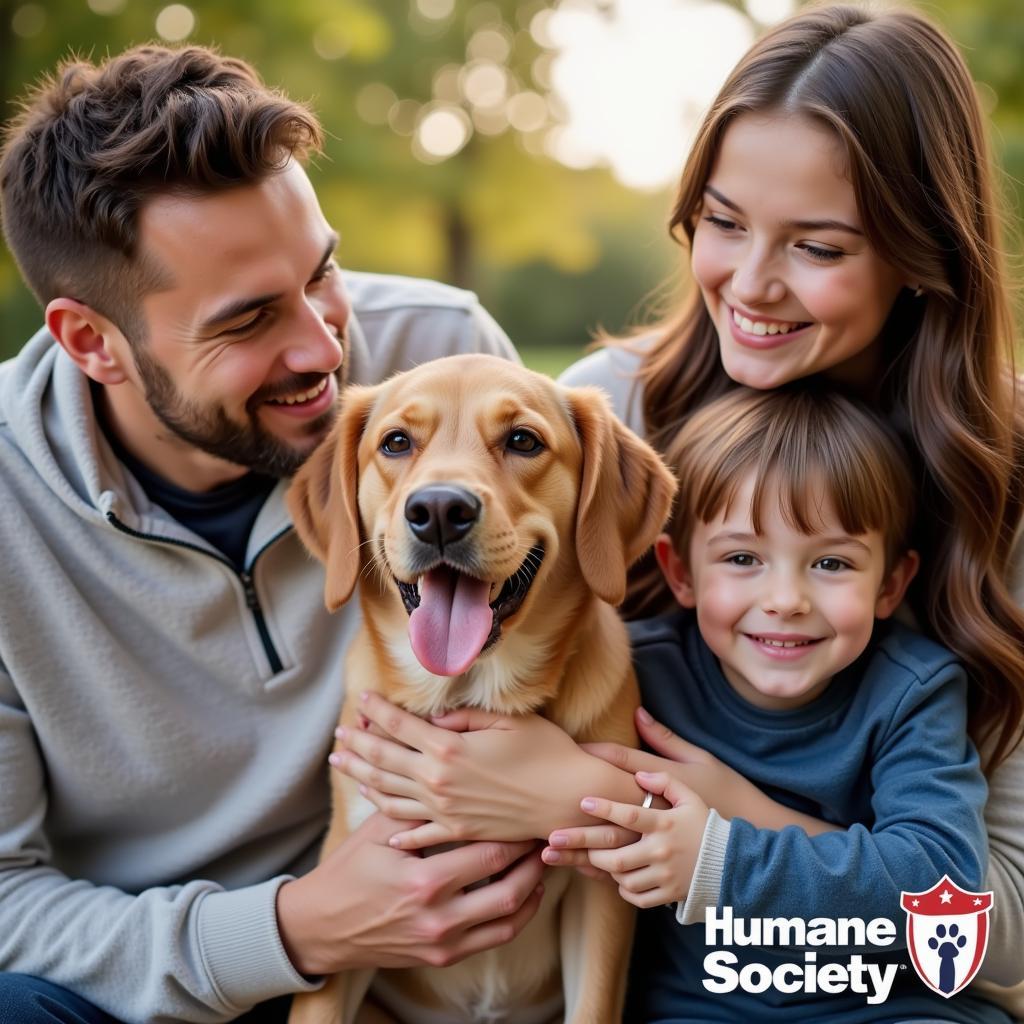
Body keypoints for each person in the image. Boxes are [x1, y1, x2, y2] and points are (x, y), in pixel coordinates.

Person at [333, 2, 1024, 1013]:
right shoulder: (606, 413)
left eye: (817, 247)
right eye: (723, 222)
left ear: (923, 257)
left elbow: (994, 926)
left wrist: (614, 802)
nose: (750, 284)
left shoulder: (998, 480)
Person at [0, 45, 547, 1023]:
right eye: (249, 320)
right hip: (147, 979)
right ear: (92, 342)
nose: (324, 346)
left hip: (416, 976)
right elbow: (6, 902)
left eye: (322, 272)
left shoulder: (442, 357)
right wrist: (292, 931)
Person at [558, 384, 1006, 1022]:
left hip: (885, 1009)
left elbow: (942, 884)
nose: (786, 599)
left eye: (830, 562)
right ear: (680, 572)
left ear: (892, 584)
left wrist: (720, 861)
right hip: (696, 1011)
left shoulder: (912, 690)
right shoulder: (637, 670)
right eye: (743, 558)